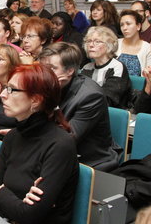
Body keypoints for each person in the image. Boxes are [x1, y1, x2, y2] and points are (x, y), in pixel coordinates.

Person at [0, 64, 79, 224]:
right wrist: (18, 203)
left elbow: (30, 216)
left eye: (12, 89)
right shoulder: (12, 137)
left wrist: (2, 193)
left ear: (35, 100)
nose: (3, 94)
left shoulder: (60, 145)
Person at [39, 42, 120, 170]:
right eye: (42, 68)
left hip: (89, 162)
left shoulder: (91, 96)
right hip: (56, 154)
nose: (44, 74)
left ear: (70, 71)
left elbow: (67, 139)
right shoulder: (48, 85)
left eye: (52, 68)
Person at [82, 26, 131, 108]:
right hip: (88, 109)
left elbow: (108, 99)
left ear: (109, 45)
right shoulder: (87, 67)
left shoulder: (116, 67)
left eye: (97, 41)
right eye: (89, 41)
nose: (91, 45)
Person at [117, 10, 151, 76]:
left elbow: (149, 77)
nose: (124, 28)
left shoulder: (148, 48)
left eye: (128, 24)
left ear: (138, 26)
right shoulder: (115, 44)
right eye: (122, 25)